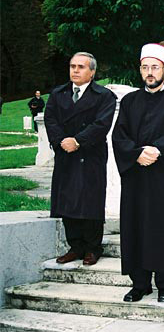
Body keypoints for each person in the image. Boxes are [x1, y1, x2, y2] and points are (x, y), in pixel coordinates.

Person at [112, 43, 164, 303]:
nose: (150, 72)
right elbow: (119, 135)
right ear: (140, 69)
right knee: (137, 227)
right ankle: (140, 284)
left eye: (155, 67)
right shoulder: (130, 101)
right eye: (145, 67)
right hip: (137, 176)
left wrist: (157, 150)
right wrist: (136, 153)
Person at [45, 52, 116, 266]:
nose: (75, 70)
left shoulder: (104, 96)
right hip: (66, 155)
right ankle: (75, 246)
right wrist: (62, 142)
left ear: (92, 72)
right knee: (67, 199)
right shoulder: (58, 94)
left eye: (81, 67)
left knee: (90, 200)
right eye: (72, 66)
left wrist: (77, 141)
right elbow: (51, 120)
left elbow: (101, 125)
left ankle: (93, 248)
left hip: (89, 155)